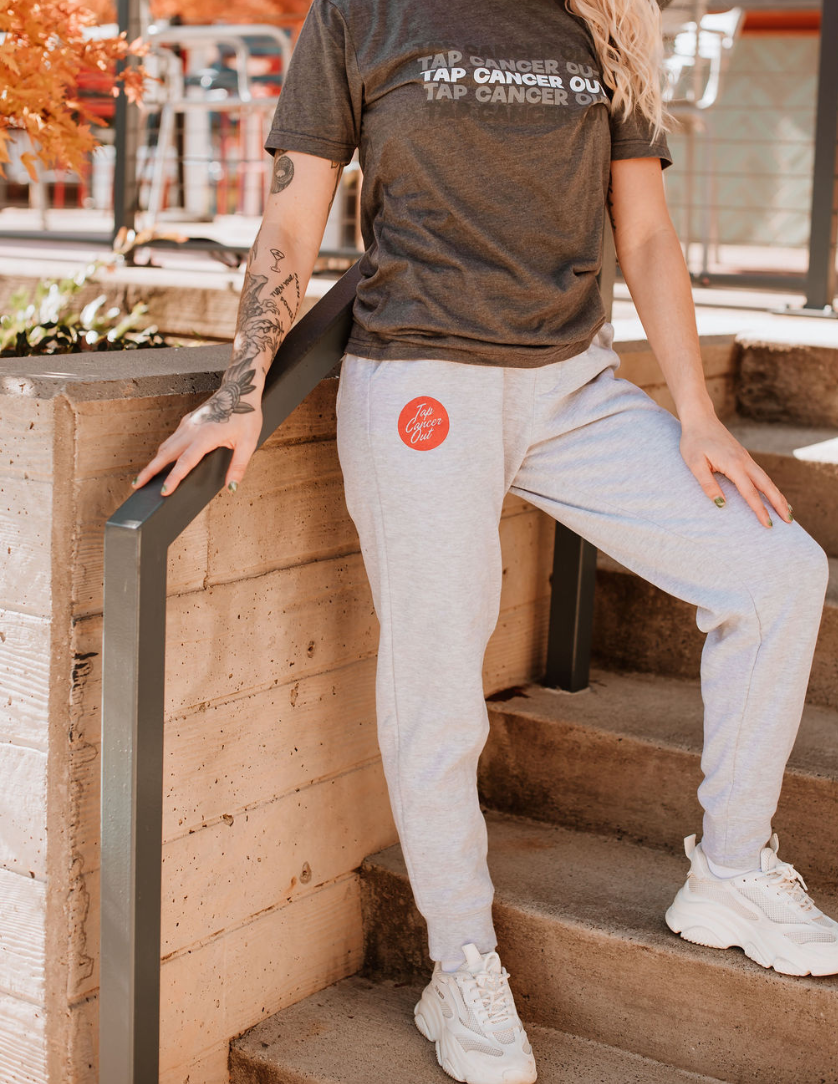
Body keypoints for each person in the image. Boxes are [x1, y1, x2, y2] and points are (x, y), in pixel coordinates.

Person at [131, 0, 838, 1081]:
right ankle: (459, 960)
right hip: (423, 381)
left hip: (574, 388)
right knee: (437, 684)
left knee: (778, 572)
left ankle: (731, 870)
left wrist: (696, 414)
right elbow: (291, 217)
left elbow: (646, 232)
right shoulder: (359, 15)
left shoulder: (602, 19)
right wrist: (240, 389)